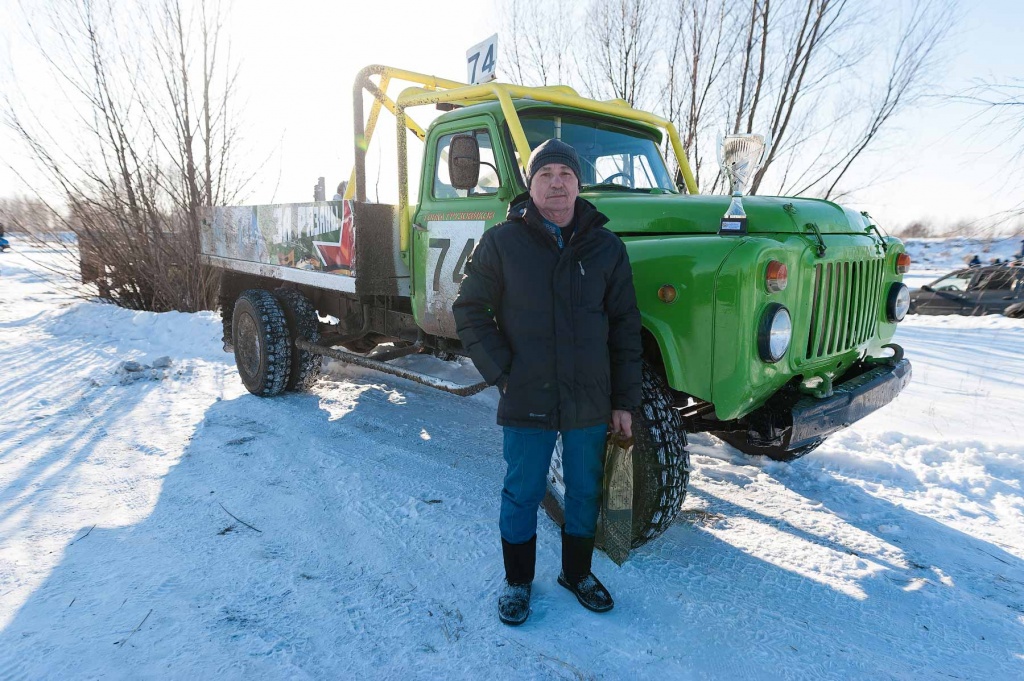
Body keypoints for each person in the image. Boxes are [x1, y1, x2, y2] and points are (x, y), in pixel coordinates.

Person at [453, 139, 642, 626]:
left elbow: (625, 327)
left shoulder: (607, 247)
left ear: (579, 184)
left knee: (584, 490)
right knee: (522, 489)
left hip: (589, 399)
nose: (556, 182)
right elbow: (469, 310)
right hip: (527, 394)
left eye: (565, 173)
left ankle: (576, 574)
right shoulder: (502, 242)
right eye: (545, 174)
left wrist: (625, 399)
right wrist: (503, 373)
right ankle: (517, 582)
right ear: (530, 185)